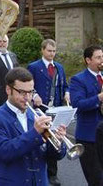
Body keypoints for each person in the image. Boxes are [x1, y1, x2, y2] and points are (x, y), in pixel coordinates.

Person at [0, 67, 67, 186]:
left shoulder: (36, 115)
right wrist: (35, 133)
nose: (27, 97)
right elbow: (4, 152)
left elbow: (53, 155)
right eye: (22, 92)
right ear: (8, 89)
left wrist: (58, 142)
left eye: (31, 92)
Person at [27, 39, 69, 185]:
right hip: (41, 110)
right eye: (49, 51)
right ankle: (40, 170)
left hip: (56, 109)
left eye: (54, 51)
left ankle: (53, 174)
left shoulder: (59, 67)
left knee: (55, 140)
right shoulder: (33, 67)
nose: (52, 54)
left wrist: (67, 93)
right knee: (43, 139)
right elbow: (28, 85)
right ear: (43, 50)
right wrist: (35, 95)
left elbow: (65, 85)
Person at [69, 45, 103, 185]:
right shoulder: (78, 79)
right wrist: (99, 98)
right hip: (89, 137)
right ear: (88, 60)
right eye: (98, 57)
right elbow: (77, 104)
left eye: (102, 56)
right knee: (96, 179)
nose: (102, 60)